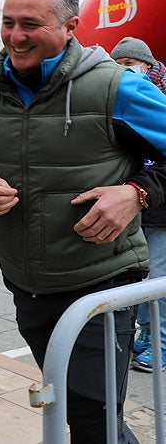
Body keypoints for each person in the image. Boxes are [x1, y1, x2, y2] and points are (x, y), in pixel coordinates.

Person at [0, 0, 166, 444]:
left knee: (92, 419)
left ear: (70, 26)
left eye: (31, 24)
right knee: (79, 413)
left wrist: (135, 194)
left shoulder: (117, 87)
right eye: (8, 23)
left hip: (101, 283)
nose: (16, 35)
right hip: (27, 285)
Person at [110, 37, 166, 372]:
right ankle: (146, 335)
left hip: (162, 210)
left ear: (147, 65)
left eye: (129, 64)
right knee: (144, 279)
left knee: (157, 278)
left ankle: (160, 344)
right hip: (139, 207)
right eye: (117, 66)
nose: (124, 72)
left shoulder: (156, 99)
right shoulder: (120, 99)